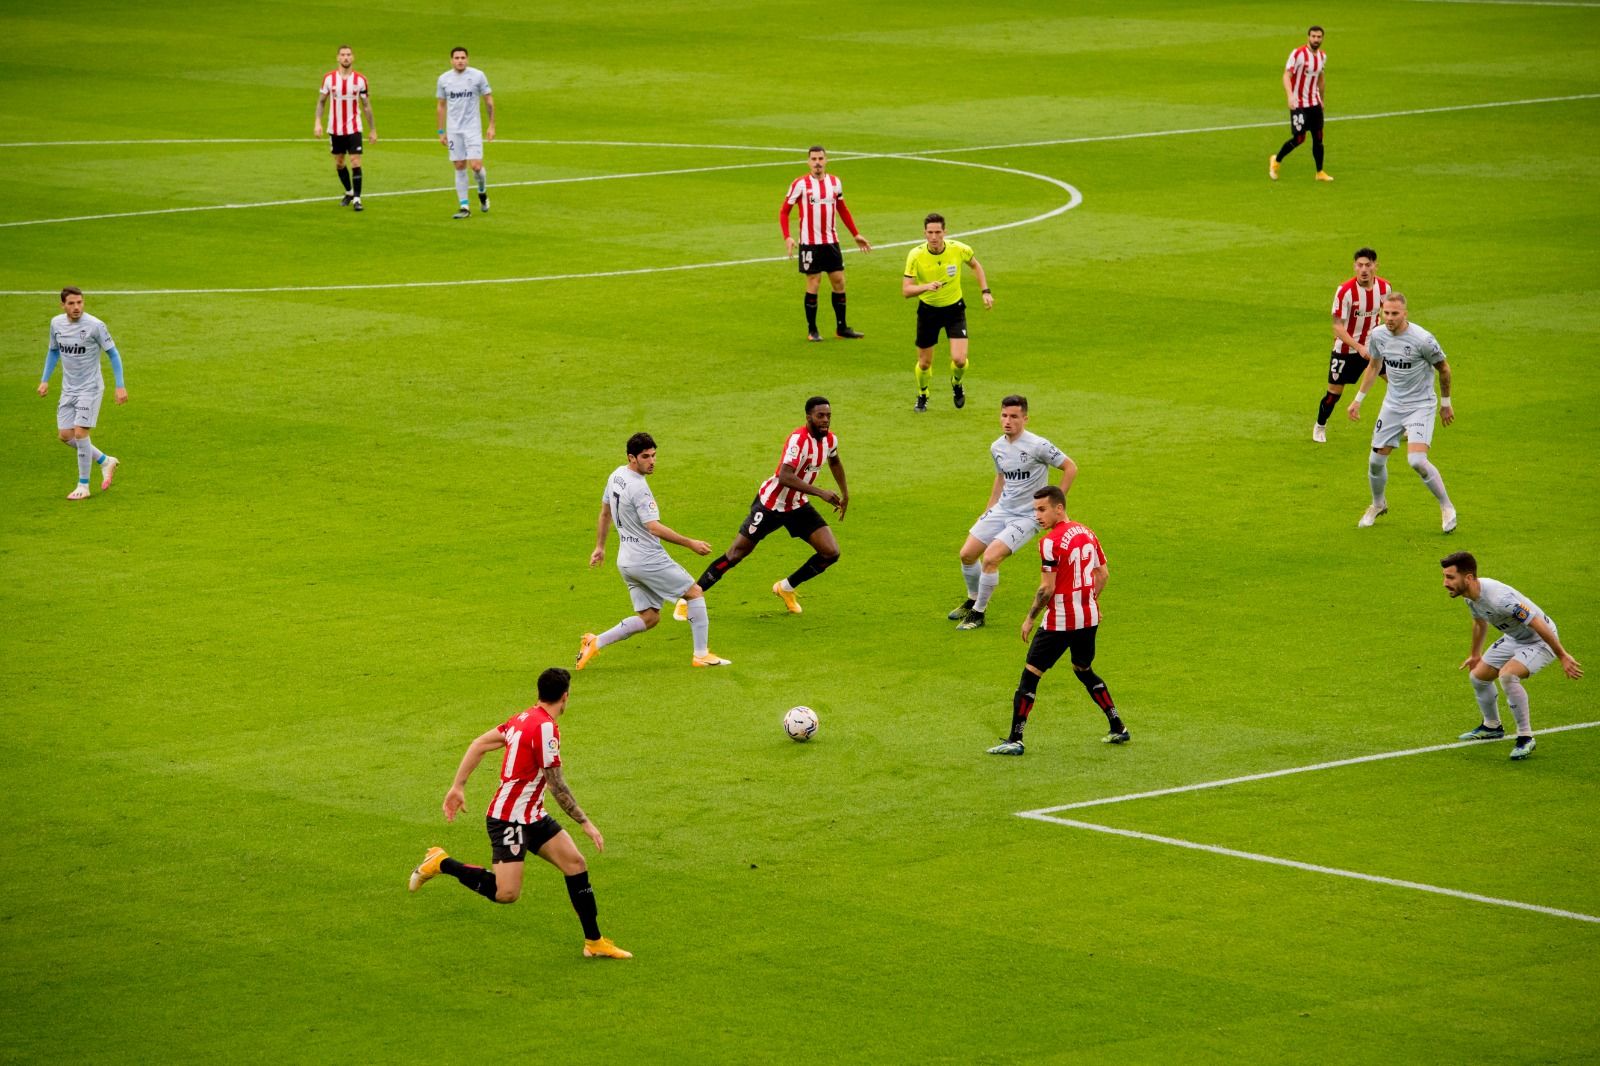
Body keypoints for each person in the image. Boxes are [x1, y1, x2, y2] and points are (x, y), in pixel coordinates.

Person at [408, 667, 632, 959]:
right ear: (565, 697)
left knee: (575, 863)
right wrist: (585, 822)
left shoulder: (522, 718)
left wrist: (458, 786)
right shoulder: (546, 728)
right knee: (506, 893)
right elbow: (556, 784)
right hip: (508, 819)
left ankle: (594, 942)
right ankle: (440, 862)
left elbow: (479, 743)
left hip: (532, 815)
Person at [676, 397, 848, 617]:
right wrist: (821, 492)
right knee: (735, 554)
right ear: (808, 417)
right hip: (771, 505)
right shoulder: (798, 440)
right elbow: (785, 476)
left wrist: (845, 493)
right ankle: (689, 597)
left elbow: (834, 461)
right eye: (820, 416)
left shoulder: (830, 440)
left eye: (828, 416)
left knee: (830, 552)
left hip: (797, 505)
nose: (825, 420)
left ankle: (786, 587)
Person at [988, 487, 1127, 755]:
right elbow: (1103, 575)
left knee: (1030, 676)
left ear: (1058, 508)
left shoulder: (1050, 542)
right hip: (1089, 617)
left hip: (1060, 621)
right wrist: (1088, 600)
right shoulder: (1087, 532)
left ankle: (1015, 739)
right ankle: (1118, 726)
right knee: (1082, 669)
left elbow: (1046, 589)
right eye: (1035, 510)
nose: (1037, 516)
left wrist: (1029, 618)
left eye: (1042, 509)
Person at [576, 433, 730, 670]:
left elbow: (605, 512)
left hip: (626, 561)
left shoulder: (615, 476)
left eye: (654, 455)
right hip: (647, 558)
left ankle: (595, 642)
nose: (652, 461)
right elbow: (653, 527)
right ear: (632, 458)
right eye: (646, 457)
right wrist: (690, 543)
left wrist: (600, 546)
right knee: (695, 592)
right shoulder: (639, 488)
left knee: (650, 617)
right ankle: (701, 655)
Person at [950, 395, 1077, 631]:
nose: (1008, 421)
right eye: (1004, 415)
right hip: (1002, 509)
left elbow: (1070, 467)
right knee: (967, 554)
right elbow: (1001, 479)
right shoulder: (996, 447)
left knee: (990, 558)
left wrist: (1053, 507)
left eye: (1014, 416)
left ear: (1025, 419)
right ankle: (972, 599)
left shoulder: (1038, 445)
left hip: (1028, 516)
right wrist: (988, 510)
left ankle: (979, 613)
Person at [1441, 552, 1583, 760]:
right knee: (1478, 676)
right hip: (1514, 637)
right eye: (1445, 576)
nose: (1445, 583)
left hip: (1540, 640)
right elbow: (1479, 623)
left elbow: (1535, 622)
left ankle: (1525, 737)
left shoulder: (1500, 599)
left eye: (1450, 577)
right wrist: (1475, 654)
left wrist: (1562, 654)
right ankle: (1492, 726)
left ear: (1469, 578)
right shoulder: (1470, 597)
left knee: (1507, 676)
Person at [1347, 292, 1458, 532]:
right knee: (1375, 461)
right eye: (1386, 313)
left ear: (1405, 313)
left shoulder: (1423, 340)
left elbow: (1444, 369)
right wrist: (1358, 400)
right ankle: (1378, 504)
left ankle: (1447, 507)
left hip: (1420, 406)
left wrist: (1446, 403)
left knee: (1416, 460)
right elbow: (1375, 365)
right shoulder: (1377, 335)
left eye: (1395, 313)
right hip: (1392, 405)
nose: (1389, 318)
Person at [37, 287, 125, 500]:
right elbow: (53, 351)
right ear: (63, 305)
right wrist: (45, 380)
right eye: (71, 303)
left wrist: (120, 385)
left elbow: (113, 354)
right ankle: (105, 460)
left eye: (79, 303)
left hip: (91, 388)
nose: (76, 307)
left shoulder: (95, 325)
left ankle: (83, 485)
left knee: (80, 433)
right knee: (65, 436)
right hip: (69, 388)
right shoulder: (56, 323)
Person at [903, 213, 993, 413]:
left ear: (945, 232)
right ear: (924, 233)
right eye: (930, 233)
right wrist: (926, 287)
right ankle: (923, 393)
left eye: (938, 232)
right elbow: (906, 290)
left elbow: (975, 265)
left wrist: (985, 291)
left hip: (954, 310)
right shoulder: (915, 255)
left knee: (960, 359)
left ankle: (957, 383)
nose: (934, 237)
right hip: (928, 312)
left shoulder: (959, 249)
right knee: (924, 363)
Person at [782, 146, 871, 342]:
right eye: (813, 159)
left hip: (831, 241)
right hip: (809, 243)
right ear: (808, 162)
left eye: (820, 158)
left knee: (839, 281)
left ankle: (842, 328)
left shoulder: (835, 182)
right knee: (814, 282)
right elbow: (784, 211)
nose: (817, 163)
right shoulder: (800, 184)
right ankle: (812, 330)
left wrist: (855, 233)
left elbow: (842, 208)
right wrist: (787, 236)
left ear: (826, 160)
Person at [1313, 248, 1391, 442]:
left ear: (1375, 266)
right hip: (1346, 349)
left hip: (1373, 347)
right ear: (1354, 266)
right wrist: (1359, 347)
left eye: (1368, 265)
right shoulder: (1345, 291)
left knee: (1397, 382)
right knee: (1334, 393)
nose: (1364, 269)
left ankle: (1405, 424)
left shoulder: (1385, 288)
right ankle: (1320, 425)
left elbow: (1386, 313)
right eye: (1360, 265)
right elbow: (1337, 327)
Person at [313, 46, 376, 212]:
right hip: (335, 128)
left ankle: (357, 199)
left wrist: (372, 129)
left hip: (354, 127)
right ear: (337, 58)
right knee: (340, 163)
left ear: (353, 58)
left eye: (348, 55)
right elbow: (321, 102)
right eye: (343, 55)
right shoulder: (328, 79)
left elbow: (367, 106)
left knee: (355, 160)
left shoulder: (361, 80)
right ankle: (349, 192)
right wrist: (318, 122)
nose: (346, 58)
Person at [436, 47, 494, 219]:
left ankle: (482, 191)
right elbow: (440, 105)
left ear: (467, 59)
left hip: (472, 128)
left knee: (476, 166)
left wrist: (491, 125)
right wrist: (441, 131)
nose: (460, 60)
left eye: (462, 57)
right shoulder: (444, 79)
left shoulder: (477, 76)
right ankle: (464, 207)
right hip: (454, 130)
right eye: (456, 58)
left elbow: (489, 100)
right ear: (451, 60)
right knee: (459, 165)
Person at [1270, 26, 1332, 182]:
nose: (1316, 39)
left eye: (1319, 37)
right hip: (1298, 104)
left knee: (1318, 137)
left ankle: (1319, 172)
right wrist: (1290, 96)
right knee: (1299, 138)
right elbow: (1286, 75)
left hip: (1314, 103)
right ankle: (1276, 160)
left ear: (1322, 38)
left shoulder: (1322, 57)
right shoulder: (1298, 54)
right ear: (1308, 37)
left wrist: (1322, 100)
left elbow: (1321, 79)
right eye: (1313, 36)